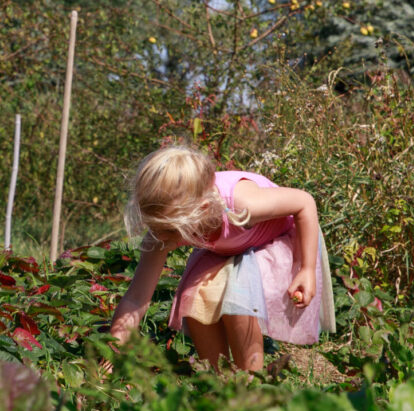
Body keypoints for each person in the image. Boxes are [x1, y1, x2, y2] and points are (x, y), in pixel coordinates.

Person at [107, 144, 333, 371]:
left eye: (171, 231)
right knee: (194, 299)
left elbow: (304, 203)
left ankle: (250, 380)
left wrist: (305, 268)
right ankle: (219, 381)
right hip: (228, 247)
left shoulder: (244, 204)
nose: (162, 237)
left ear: (203, 209)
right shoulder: (165, 229)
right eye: (157, 228)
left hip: (280, 240)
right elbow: (136, 299)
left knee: (238, 298)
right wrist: (111, 353)